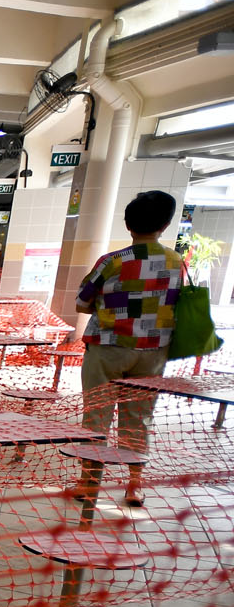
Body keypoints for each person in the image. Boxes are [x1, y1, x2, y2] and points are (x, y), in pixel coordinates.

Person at [69, 189, 183, 508]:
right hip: (153, 351)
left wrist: (116, 308)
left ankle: (89, 482)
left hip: (108, 347)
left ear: (128, 225)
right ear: (165, 224)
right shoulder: (176, 263)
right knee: (139, 417)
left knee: (96, 416)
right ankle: (135, 486)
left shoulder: (113, 261)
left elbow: (81, 302)